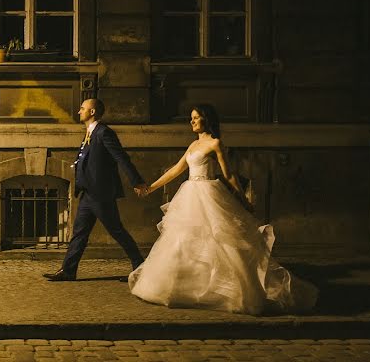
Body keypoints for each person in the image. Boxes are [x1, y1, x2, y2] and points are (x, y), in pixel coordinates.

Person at [129, 104, 318, 314]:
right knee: (183, 241)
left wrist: (243, 201)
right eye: (191, 118)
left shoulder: (216, 144)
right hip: (190, 193)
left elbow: (228, 175)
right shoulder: (193, 145)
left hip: (209, 193)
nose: (191, 121)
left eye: (196, 118)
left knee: (219, 241)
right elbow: (177, 169)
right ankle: (183, 288)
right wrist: (151, 187)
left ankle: (226, 291)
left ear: (206, 119)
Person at [43, 98, 150, 282]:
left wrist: (136, 181)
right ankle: (68, 271)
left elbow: (121, 158)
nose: (79, 111)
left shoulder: (104, 133)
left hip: (100, 194)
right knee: (80, 233)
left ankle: (141, 269)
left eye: (83, 108)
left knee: (117, 231)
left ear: (92, 112)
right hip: (88, 194)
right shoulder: (89, 134)